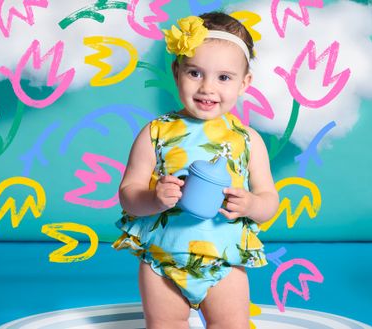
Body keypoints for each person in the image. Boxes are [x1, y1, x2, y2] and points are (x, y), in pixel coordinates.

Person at [111, 11, 279, 329]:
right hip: (163, 258)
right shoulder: (156, 132)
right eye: (195, 73)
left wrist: (252, 205)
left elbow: (270, 200)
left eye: (224, 77)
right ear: (177, 73)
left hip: (223, 259)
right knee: (165, 324)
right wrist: (155, 198)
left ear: (244, 83)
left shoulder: (248, 140)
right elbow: (128, 195)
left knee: (231, 324)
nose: (207, 88)